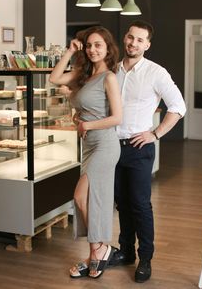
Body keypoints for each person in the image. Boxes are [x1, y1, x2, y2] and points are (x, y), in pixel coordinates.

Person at [109, 20, 186, 283]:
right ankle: (126, 252)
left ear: (147, 45)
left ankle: (145, 259)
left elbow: (178, 106)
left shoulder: (156, 73)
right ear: (125, 38)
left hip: (139, 149)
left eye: (140, 40)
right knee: (122, 204)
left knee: (140, 205)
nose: (133, 43)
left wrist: (155, 133)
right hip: (111, 147)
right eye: (130, 37)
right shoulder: (111, 70)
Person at [49, 26, 122, 279]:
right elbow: (54, 78)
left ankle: (101, 248)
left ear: (108, 48)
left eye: (98, 45)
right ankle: (96, 252)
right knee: (92, 200)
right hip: (89, 145)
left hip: (105, 144)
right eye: (89, 45)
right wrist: (70, 50)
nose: (92, 49)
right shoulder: (83, 74)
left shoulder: (109, 77)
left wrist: (87, 124)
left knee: (81, 197)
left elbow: (117, 117)